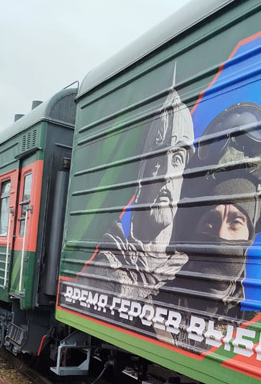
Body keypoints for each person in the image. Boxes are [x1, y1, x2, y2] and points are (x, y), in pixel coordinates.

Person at [154, 101, 261, 349]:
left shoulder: (257, 333)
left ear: (249, 236)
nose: (221, 235)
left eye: (236, 222)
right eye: (210, 222)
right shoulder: (149, 309)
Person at [81, 86, 195, 301]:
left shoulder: (186, 269)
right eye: (157, 160)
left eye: (177, 160)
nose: (166, 175)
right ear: (142, 176)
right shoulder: (107, 262)